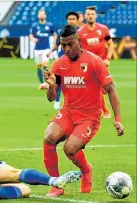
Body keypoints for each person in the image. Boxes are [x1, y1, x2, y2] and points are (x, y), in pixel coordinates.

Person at [43, 25, 124, 197]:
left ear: (79, 42)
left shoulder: (94, 61)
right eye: (63, 45)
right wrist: (51, 86)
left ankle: (86, 170)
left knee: (70, 149)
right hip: (68, 112)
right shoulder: (59, 64)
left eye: (70, 44)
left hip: (89, 117)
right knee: (48, 138)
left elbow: (111, 90)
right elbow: (51, 97)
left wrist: (117, 119)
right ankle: (56, 185)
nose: (66, 49)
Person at [78, 6, 114, 118]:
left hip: (103, 63)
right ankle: (105, 110)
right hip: (88, 64)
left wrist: (108, 58)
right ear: (84, 16)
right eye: (88, 14)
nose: (90, 16)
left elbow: (110, 44)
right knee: (96, 87)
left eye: (92, 14)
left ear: (96, 15)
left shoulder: (103, 29)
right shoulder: (80, 32)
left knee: (104, 89)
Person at [47, 11, 79, 110]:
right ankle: (57, 101)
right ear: (67, 20)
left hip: (77, 62)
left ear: (77, 21)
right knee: (59, 82)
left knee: (77, 83)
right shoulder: (62, 33)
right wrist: (50, 52)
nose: (71, 21)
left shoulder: (80, 33)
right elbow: (56, 45)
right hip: (64, 62)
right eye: (70, 19)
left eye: (73, 19)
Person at [29, 9, 57, 90]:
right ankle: (42, 83)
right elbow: (31, 35)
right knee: (38, 66)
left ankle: (48, 82)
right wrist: (33, 39)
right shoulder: (35, 25)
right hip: (37, 49)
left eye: (42, 14)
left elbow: (54, 34)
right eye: (40, 14)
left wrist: (54, 41)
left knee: (45, 65)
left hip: (46, 48)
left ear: (45, 16)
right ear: (38, 16)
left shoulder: (49, 25)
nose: (41, 15)